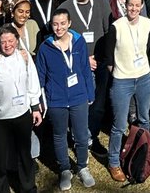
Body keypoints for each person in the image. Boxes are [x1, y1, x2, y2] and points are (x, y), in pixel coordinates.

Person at [0, 25, 42, 193]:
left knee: (25, 156)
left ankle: (28, 188)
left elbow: (33, 82)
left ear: (17, 41)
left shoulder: (25, 58)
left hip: (22, 116)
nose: (7, 45)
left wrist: (35, 106)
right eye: (3, 41)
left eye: (11, 41)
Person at [36, 10, 96, 190]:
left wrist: (90, 94)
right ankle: (64, 169)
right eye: (55, 24)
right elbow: (40, 76)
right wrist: (40, 99)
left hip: (79, 97)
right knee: (59, 135)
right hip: (56, 100)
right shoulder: (45, 47)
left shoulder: (79, 42)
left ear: (69, 23)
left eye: (62, 23)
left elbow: (85, 69)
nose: (59, 27)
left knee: (81, 135)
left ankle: (83, 167)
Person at [105, 0, 150, 182]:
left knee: (144, 119)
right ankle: (114, 162)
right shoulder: (116, 27)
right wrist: (121, 74)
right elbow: (109, 58)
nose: (133, 8)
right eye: (130, 5)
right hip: (122, 80)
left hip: (144, 77)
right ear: (125, 6)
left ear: (141, 6)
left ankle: (143, 154)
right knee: (119, 125)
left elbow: (146, 48)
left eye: (137, 5)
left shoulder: (148, 24)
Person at [60, 0, 110, 141]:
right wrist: (84, 59)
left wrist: (97, 58)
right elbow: (63, 40)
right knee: (80, 103)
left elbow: (107, 32)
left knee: (98, 104)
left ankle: (92, 135)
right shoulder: (65, 8)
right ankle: (78, 135)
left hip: (100, 61)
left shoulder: (102, 3)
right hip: (77, 64)